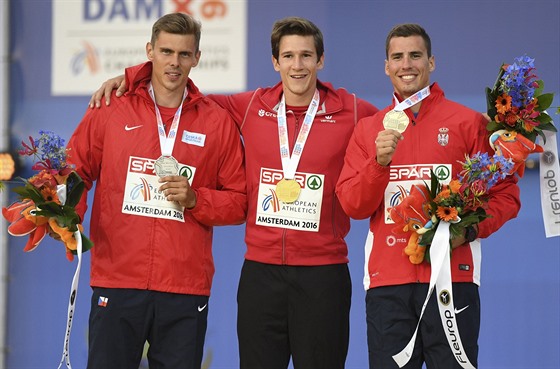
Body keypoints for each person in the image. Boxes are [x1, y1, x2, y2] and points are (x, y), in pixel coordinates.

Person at [90, 16, 379, 369]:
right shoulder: (250, 107)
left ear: (321, 60)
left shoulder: (351, 110)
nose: (297, 65)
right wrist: (132, 77)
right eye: (288, 56)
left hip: (323, 272)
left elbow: (396, 128)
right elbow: (176, 90)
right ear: (275, 62)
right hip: (261, 272)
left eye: (306, 56)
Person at [335, 24, 521, 368]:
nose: (407, 64)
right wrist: (378, 164)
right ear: (386, 66)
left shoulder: (468, 124)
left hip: (453, 281)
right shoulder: (369, 130)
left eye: (415, 55)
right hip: (387, 285)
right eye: (398, 57)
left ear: (431, 62)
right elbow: (352, 205)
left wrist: (470, 231)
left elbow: (506, 194)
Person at [69, 13, 247, 369]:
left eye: (184, 54)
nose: (174, 62)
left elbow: (239, 202)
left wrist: (197, 198)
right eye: (166, 51)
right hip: (117, 279)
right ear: (149, 51)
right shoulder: (110, 107)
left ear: (197, 57)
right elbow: (75, 171)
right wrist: (66, 221)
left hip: (184, 288)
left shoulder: (216, 122)